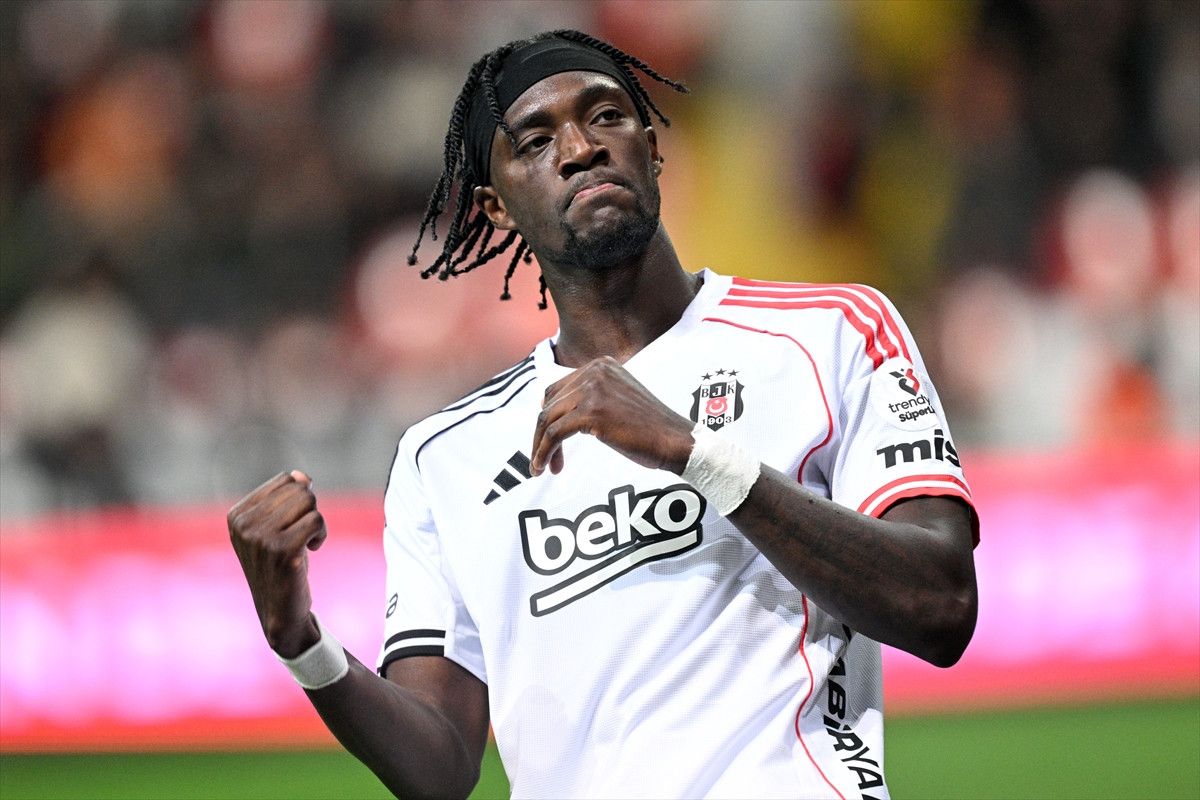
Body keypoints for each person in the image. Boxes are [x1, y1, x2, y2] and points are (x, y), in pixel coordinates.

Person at [227, 29, 978, 799]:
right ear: (495, 207)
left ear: (652, 152)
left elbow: (942, 605)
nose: (581, 148)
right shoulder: (443, 456)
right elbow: (441, 767)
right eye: (535, 141)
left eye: (607, 116)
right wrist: (302, 643)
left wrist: (693, 452)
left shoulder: (832, 333)